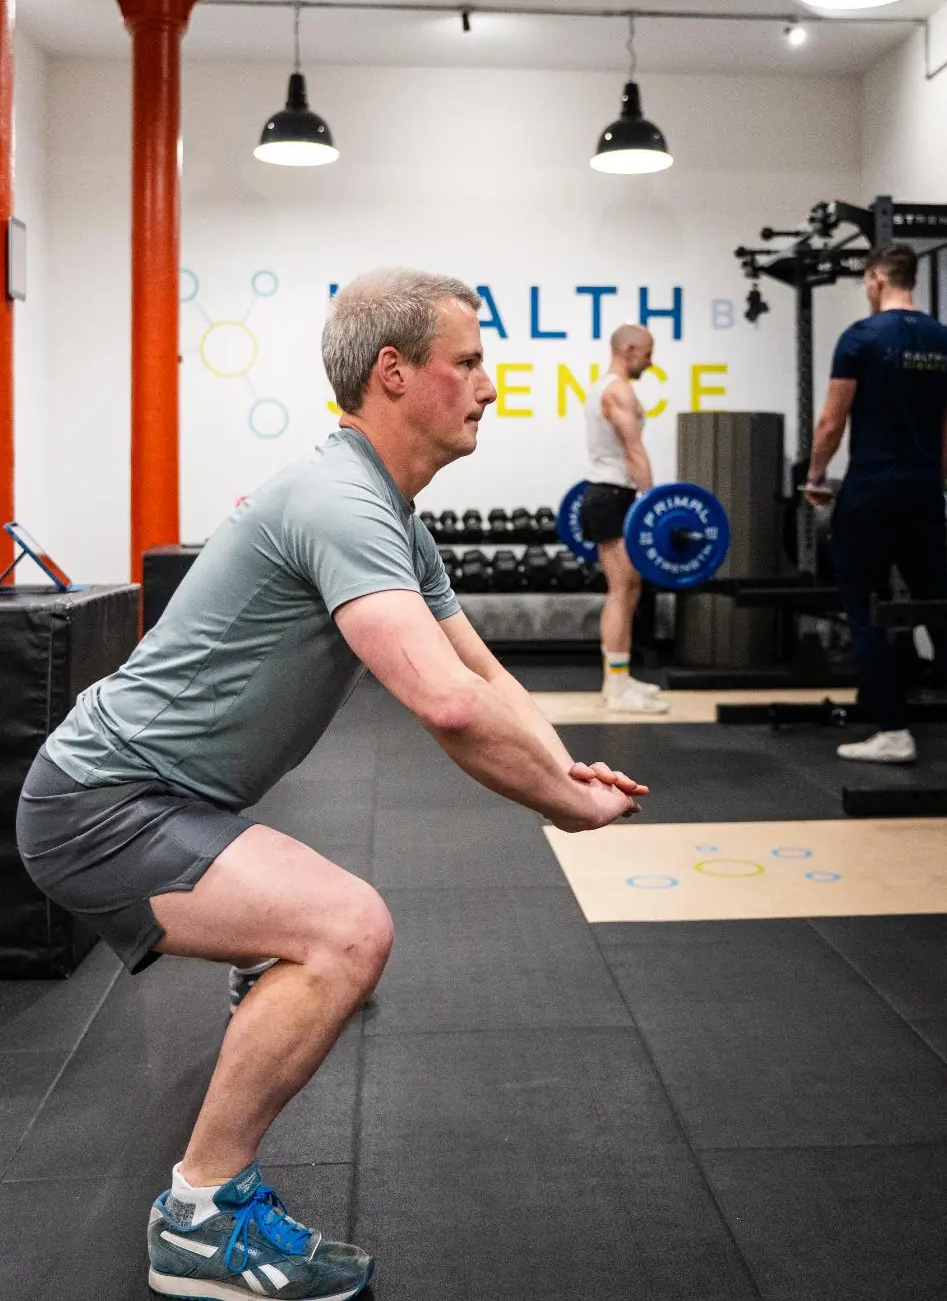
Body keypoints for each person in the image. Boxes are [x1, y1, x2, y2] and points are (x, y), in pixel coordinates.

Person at [16, 269, 648, 1301]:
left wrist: (563, 761)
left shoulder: (389, 513)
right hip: (100, 806)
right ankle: (199, 1217)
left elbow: (484, 673)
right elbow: (443, 704)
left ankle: (266, 954)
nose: (489, 384)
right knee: (348, 929)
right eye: (470, 362)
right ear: (394, 373)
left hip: (167, 798)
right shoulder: (341, 500)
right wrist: (561, 804)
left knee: (315, 930)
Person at [806, 240, 947, 765]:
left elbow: (830, 422)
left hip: (870, 489)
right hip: (922, 489)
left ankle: (894, 732)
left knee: (864, 609)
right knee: (939, 608)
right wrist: (930, 483)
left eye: (866, 282)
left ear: (877, 280)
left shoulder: (862, 337)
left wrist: (816, 477)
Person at [580, 322, 669, 714]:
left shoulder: (610, 388)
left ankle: (620, 677)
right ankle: (616, 689)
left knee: (630, 588)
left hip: (612, 495)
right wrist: (651, 503)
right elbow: (634, 451)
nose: (650, 362)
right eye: (647, 353)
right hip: (612, 496)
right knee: (621, 589)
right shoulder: (616, 391)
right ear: (629, 349)